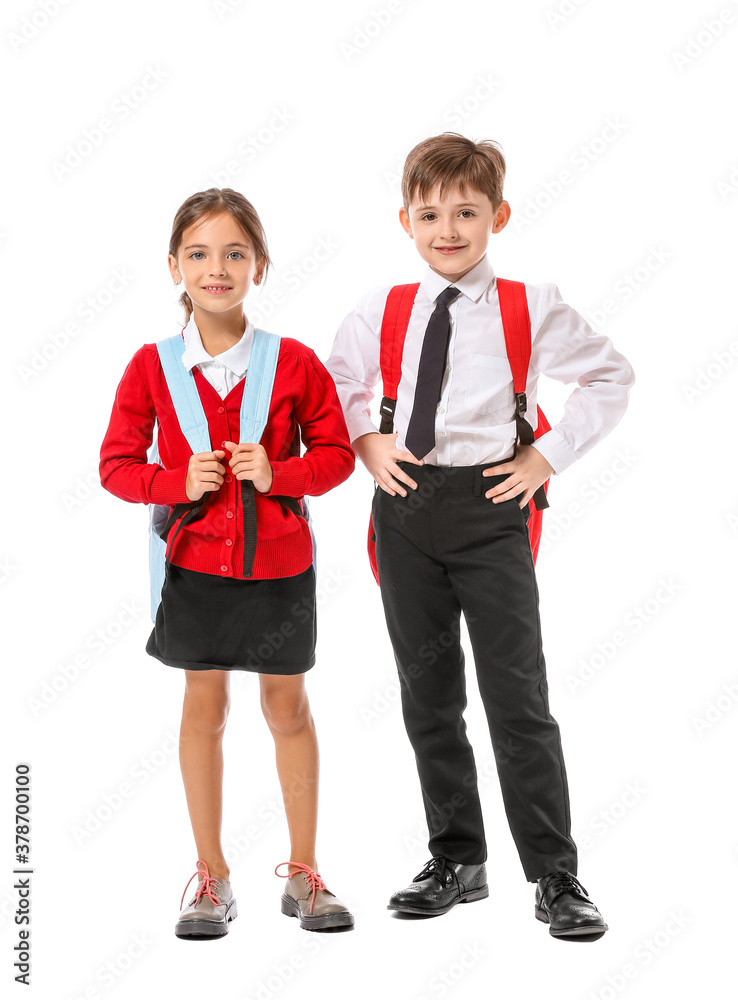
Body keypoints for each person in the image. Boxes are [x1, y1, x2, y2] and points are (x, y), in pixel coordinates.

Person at [326, 133, 635, 939]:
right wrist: (367, 442)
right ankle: (457, 859)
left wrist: (548, 454)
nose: (448, 229)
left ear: (498, 214)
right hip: (406, 509)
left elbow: (611, 376)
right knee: (428, 697)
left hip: (493, 506)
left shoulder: (531, 304)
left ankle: (556, 873)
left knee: (517, 697)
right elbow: (338, 381)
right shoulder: (384, 307)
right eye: (430, 214)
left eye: (466, 212)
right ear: (405, 220)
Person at [99, 188, 355, 938]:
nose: (218, 269)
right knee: (203, 711)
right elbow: (116, 466)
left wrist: (282, 473)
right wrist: (174, 482)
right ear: (175, 266)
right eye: (200, 254)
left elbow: (336, 455)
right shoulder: (152, 368)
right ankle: (210, 878)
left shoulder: (295, 362)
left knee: (288, 709)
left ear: (260, 265)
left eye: (235, 253)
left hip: (280, 569)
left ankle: (304, 874)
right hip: (196, 572)